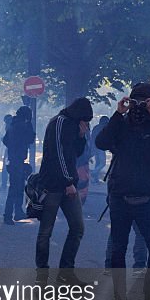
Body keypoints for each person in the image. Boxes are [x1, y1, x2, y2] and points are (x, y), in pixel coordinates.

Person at [95, 82, 150, 300]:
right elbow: (100, 142)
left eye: (146, 101)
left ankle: (149, 288)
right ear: (130, 101)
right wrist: (117, 113)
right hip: (120, 194)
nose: (141, 105)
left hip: (147, 196)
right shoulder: (120, 124)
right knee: (118, 250)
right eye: (137, 101)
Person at [34, 98, 93, 281]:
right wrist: (68, 181)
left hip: (68, 184)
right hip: (52, 185)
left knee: (77, 228)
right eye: (85, 120)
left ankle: (66, 273)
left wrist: (81, 138)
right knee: (46, 232)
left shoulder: (73, 126)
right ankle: (42, 275)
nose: (85, 124)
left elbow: (74, 153)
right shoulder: (59, 123)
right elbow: (59, 153)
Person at [3, 106, 35, 224]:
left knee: (17, 187)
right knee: (16, 188)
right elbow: (31, 138)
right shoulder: (23, 125)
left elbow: (5, 140)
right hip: (18, 161)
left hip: (13, 160)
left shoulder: (12, 124)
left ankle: (17, 212)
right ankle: (9, 215)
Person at [91, 115, 110, 182]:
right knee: (102, 163)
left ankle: (95, 179)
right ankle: (93, 173)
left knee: (98, 162)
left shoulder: (96, 127)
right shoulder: (103, 128)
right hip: (100, 148)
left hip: (95, 147)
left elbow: (92, 137)